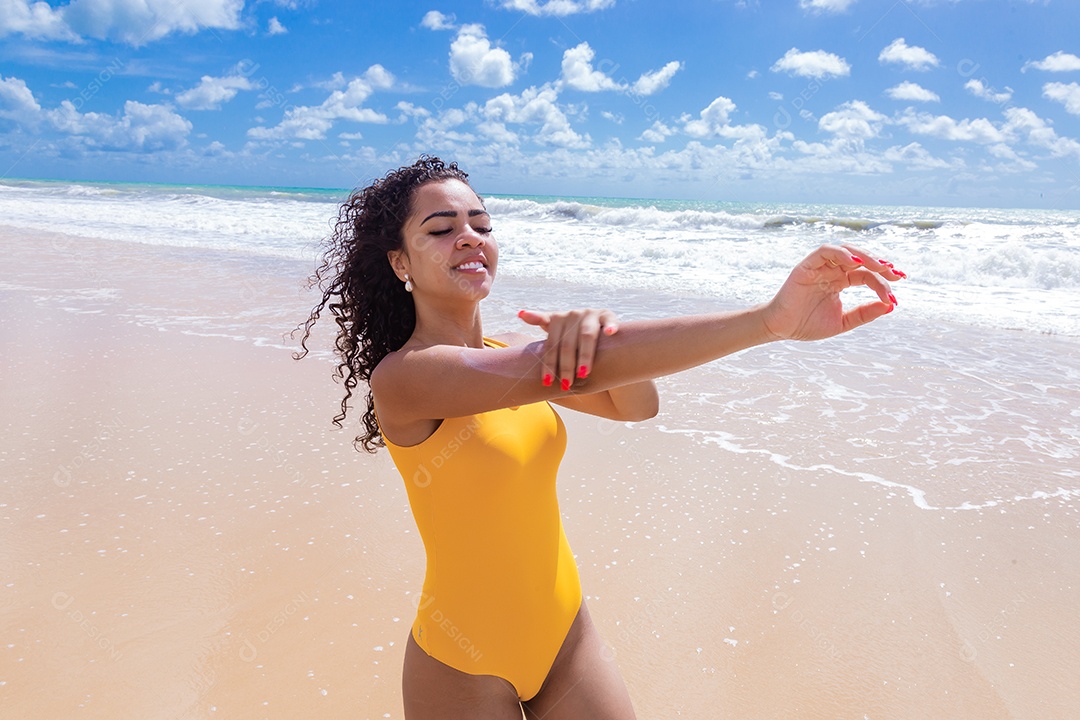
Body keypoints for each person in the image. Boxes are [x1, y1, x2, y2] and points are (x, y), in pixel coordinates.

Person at [295, 156, 904, 720]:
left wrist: (600, 338)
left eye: (481, 222)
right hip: (462, 660)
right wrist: (770, 322)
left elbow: (636, 405)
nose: (469, 237)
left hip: (566, 637)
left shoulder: (506, 354)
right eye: (439, 228)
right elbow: (570, 373)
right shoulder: (406, 378)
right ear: (401, 263)